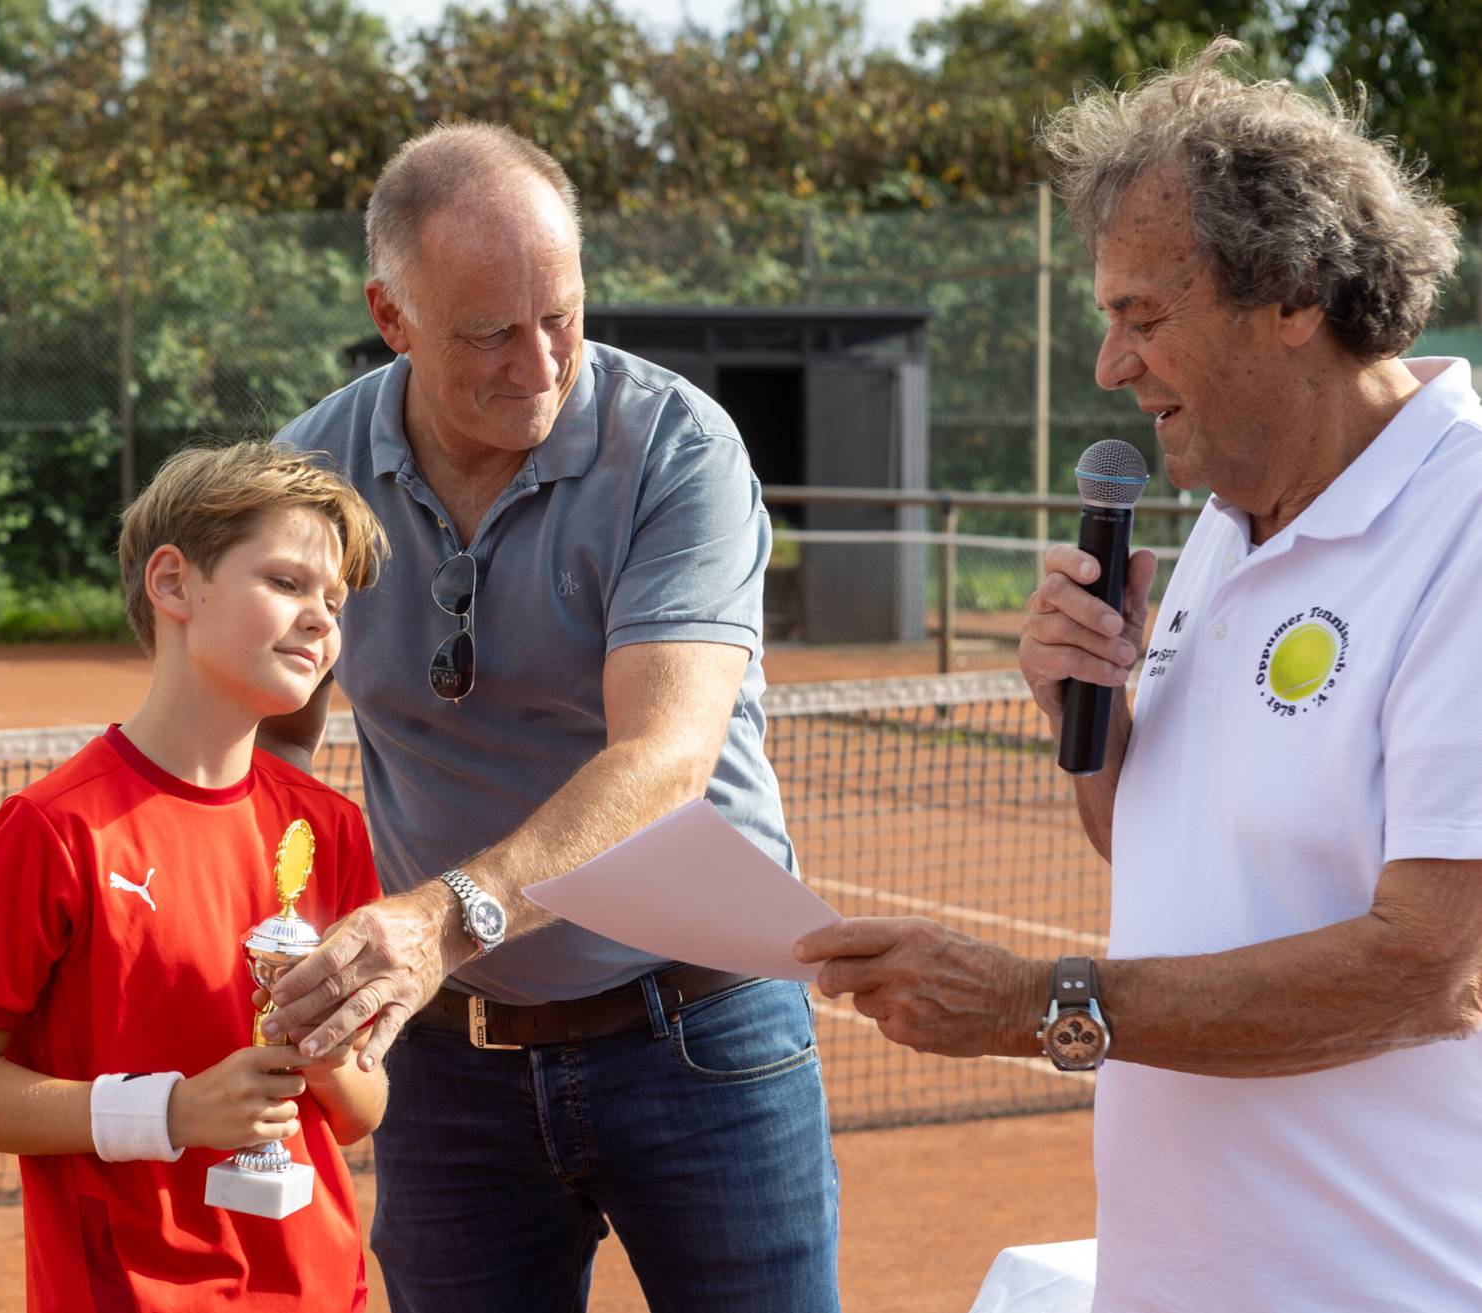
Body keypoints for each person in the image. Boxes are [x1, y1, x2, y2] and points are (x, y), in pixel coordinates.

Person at [795, 38, 1482, 1310]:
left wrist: (1039, 1001)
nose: (1112, 366)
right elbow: (1161, 846)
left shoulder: (1468, 525)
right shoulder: (1228, 513)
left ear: (1293, 295)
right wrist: (1097, 731)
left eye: (1144, 318)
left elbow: (1435, 970)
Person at [259, 122, 841, 1312]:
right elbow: (269, 738)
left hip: (704, 1024)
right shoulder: (310, 472)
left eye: (561, 317)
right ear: (391, 315)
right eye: (488, 333)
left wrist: (444, 917)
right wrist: (244, 920)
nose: (538, 365)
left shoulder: (678, 446)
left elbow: (664, 755)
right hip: (441, 1055)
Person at [0, 443, 392, 1312]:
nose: (320, 620)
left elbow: (361, 1108)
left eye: (334, 601)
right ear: (173, 584)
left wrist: (317, 1049)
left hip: (321, 1289)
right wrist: (170, 1112)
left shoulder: (330, 828)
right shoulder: (55, 829)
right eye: (286, 582)